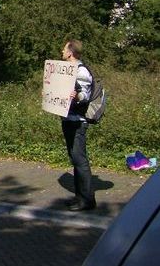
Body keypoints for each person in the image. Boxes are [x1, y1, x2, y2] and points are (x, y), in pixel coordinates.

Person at [60, 39, 97, 211]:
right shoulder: (68, 70)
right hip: (68, 120)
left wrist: (76, 96)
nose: (62, 51)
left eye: (64, 48)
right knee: (75, 158)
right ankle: (79, 196)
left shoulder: (81, 71)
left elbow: (84, 96)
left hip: (77, 122)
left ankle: (87, 200)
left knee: (80, 159)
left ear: (70, 52)